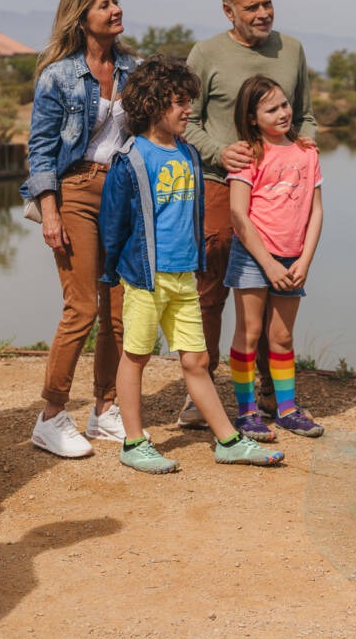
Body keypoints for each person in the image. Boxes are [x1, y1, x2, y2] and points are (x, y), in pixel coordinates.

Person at [101, 56, 285, 474]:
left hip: (184, 276)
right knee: (135, 356)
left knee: (196, 361)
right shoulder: (131, 158)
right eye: (180, 102)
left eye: (190, 101)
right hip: (146, 279)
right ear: (152, 104)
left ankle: (228, 441)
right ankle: (133, 443)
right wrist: (111, 272)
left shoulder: (187, 154)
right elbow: (113, 223)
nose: (189, 110)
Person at [182, 0, 317, 427]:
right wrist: (222, 152)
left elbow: (308, 118)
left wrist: (304, 152)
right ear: (228, 11)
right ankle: (201, 389)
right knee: (213, 290)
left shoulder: (293, 49)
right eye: (251, 7)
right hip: (222, 186)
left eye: (267, 3)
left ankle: (270, 395)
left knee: (275, 288)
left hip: (282, 194)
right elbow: (184, 121)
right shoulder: (205, 54)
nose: (263, 13)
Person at [22, 0, 139, 458]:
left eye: (115, 2)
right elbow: (41, 150)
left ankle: (105, 409)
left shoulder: (134, 69)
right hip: (74, 192)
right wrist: (50, 211)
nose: (116, 10)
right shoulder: (59, 76)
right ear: (82, 17)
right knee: (82, 308)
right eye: (105, 5)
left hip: (120, 194)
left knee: (117, 312)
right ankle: (50, 415)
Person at [225, 76, 325, 441]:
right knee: (249, 334)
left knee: (281, 337)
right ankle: (247, 412)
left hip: (293, 258)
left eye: (284, 104)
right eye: (271, 109)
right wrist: (267, 263)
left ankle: (286, 409)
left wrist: (304, 261)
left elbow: (316, 212)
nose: (282, 113)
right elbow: (238, 214)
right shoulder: (247, 154)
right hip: (254, 258)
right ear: (252, 118)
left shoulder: (306, 152)